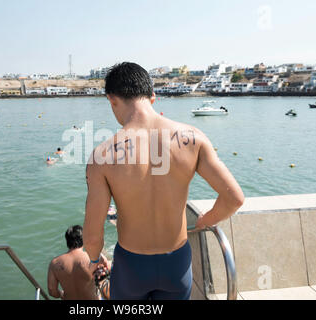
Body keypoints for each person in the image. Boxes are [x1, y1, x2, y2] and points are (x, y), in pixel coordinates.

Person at [83, 62, 244, 300]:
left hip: (131, 265)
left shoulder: (102, 156)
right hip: (176, 263)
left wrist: (95, 260)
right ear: (152, 98)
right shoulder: (194, 139)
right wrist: (203, 222)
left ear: (112, 99)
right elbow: (234, 198)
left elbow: (93, 235)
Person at [47, 225, 110, 300]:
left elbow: (52, 291)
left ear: (67, 241)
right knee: (103, 280)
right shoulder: (94, 258)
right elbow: (109, 270)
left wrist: (61, 294)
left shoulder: (55, 263)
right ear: (83, 239)